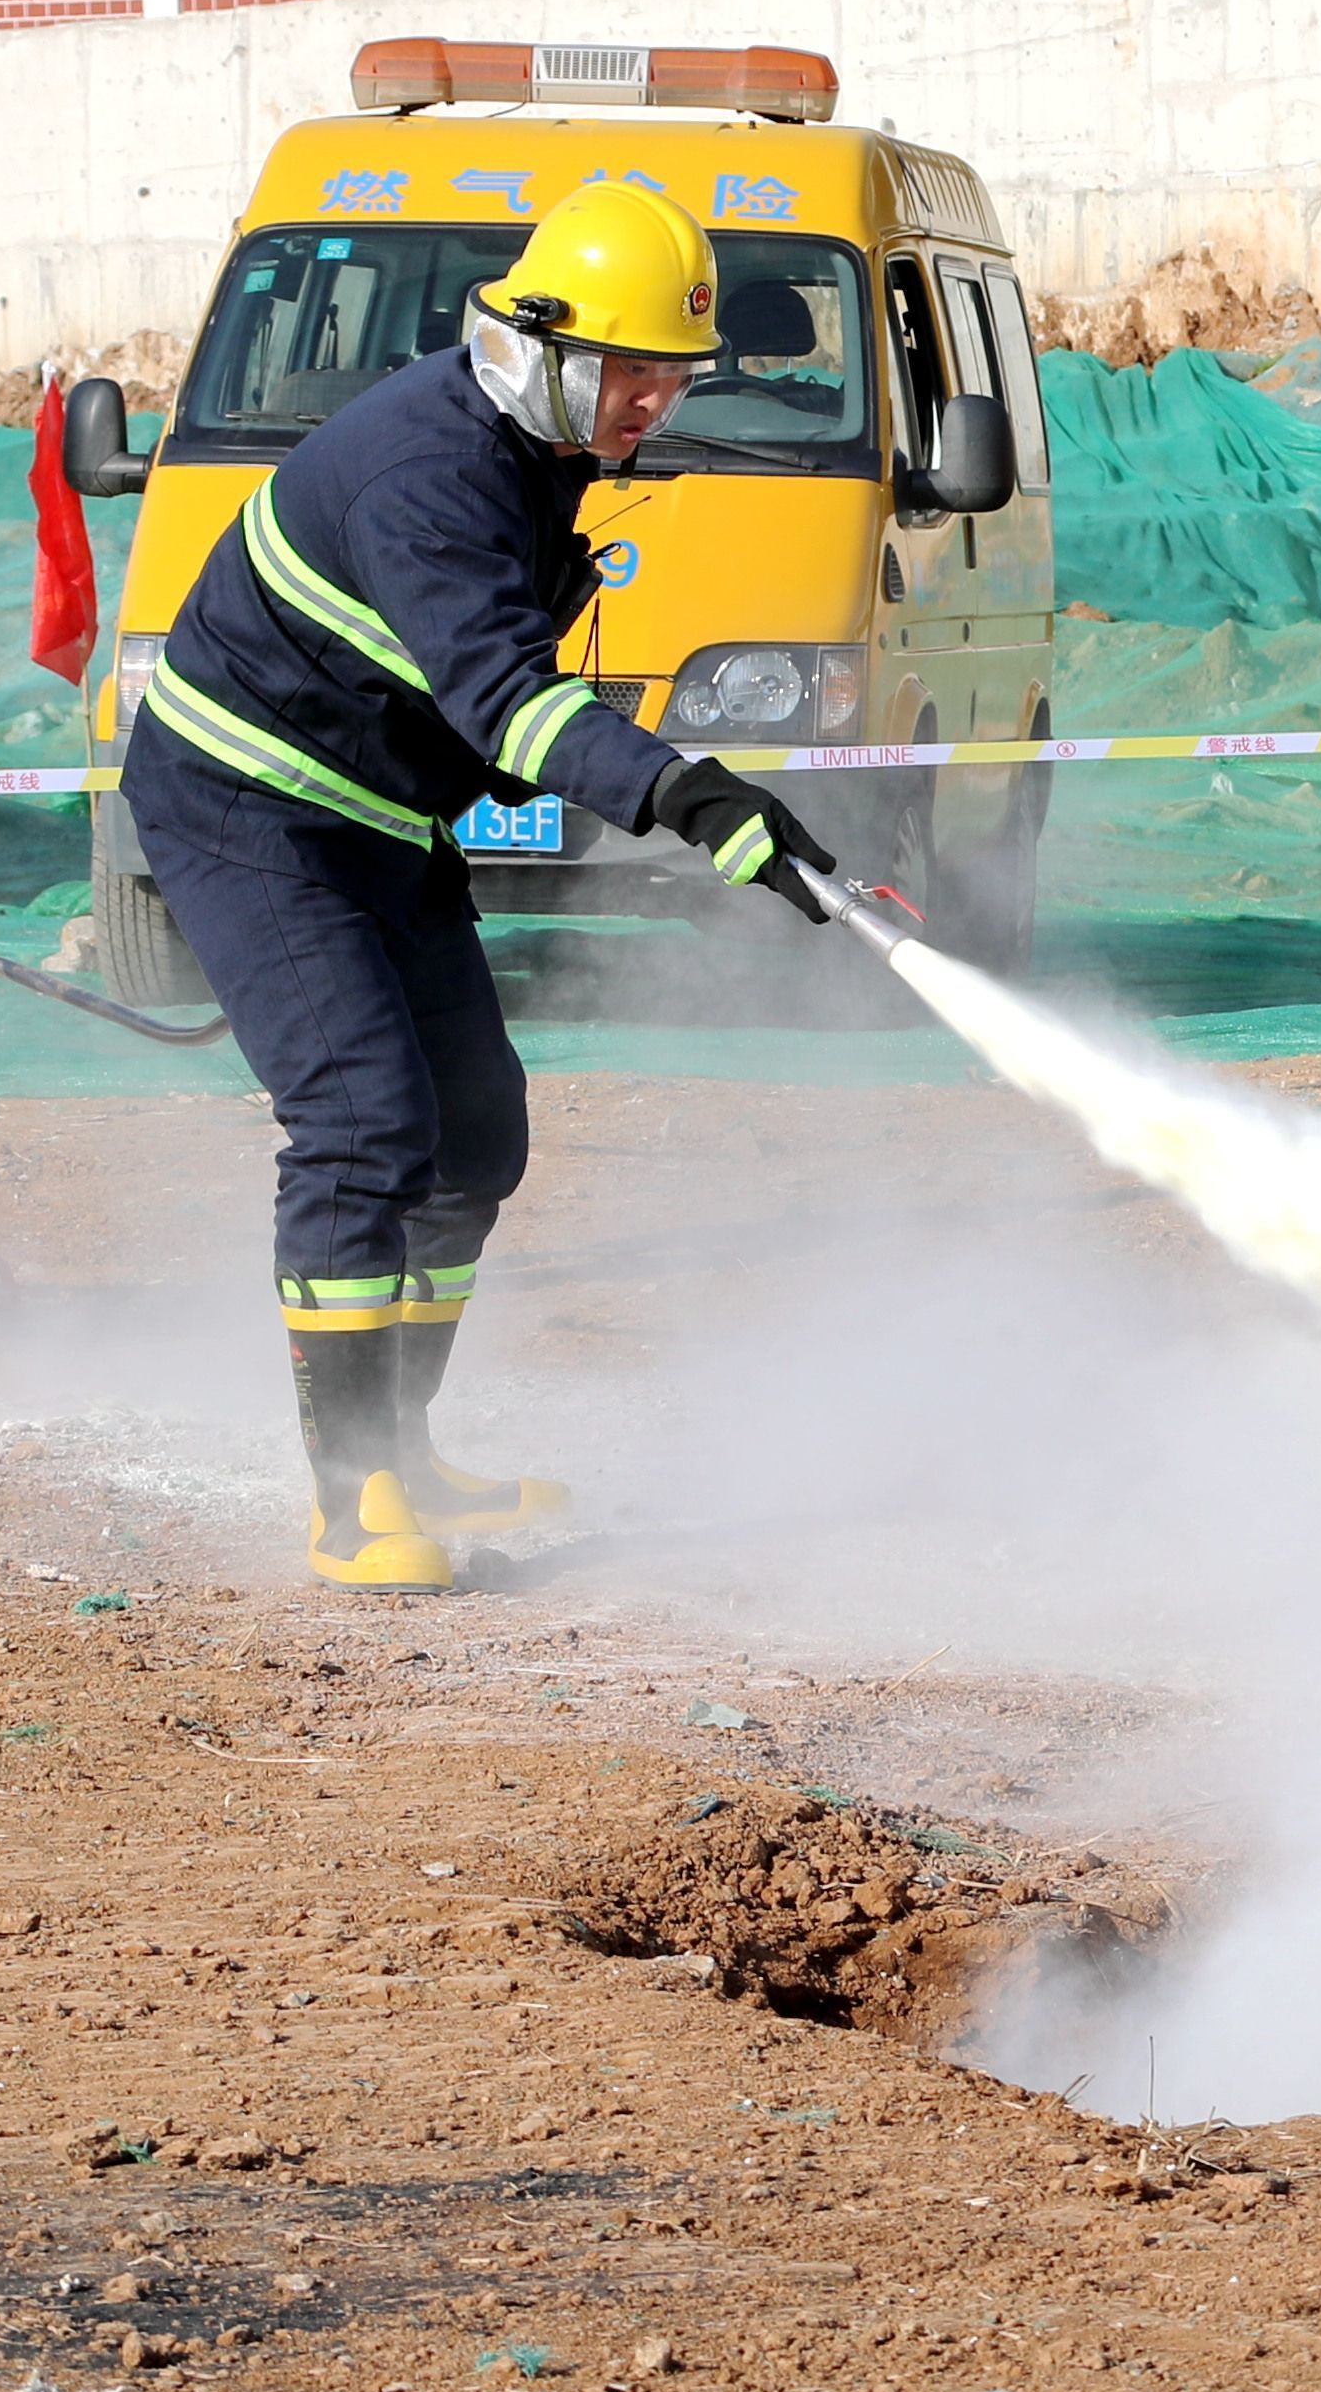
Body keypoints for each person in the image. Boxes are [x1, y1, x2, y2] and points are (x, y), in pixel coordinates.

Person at [124, 178, 839, 1592]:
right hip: (248, 807)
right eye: (631, 372)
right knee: (360, 1125)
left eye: (674, 376)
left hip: (376, 809)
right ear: (546, 345)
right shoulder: (429, 472)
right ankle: (350, 1501)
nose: (654, 404)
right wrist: (691, 797)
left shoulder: (537, 440)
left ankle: (404, 1442)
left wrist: (683, 796)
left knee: (475, 1135)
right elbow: (506, 699)